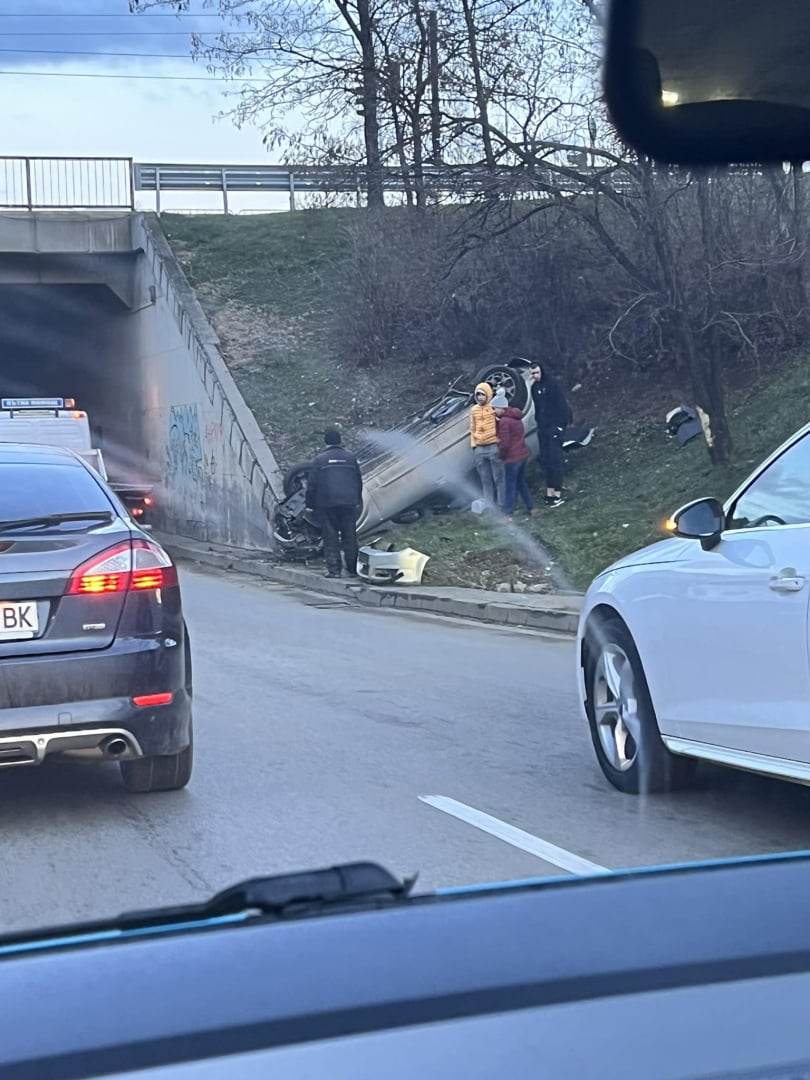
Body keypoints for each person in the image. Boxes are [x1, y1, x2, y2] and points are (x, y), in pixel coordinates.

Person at [305, 427, 363, 578]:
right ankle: (352, 570)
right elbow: (358, 481)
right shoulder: (351, 458)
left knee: (330, 538)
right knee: (350, 537)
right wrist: (356, 500)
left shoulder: (320, 460)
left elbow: (312, 485)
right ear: (339, 441)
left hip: (327, 504)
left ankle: (334, 571)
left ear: (326, 442)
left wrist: (310, 505)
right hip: (349, 504)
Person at [529, 362, 571, 508]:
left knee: (555, 459)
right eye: (532, 373)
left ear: (542, 371)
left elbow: (561, 404)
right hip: (543, 428)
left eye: (537, 373)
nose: (535, 376)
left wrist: (561, 426)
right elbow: (538, 407)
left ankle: (558, 492)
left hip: (555, 426)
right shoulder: (534, 388)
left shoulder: (552, 384)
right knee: (545, 460)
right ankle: (550, 491)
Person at [492, 392, 537, 521]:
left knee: (510, 485)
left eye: (495, 408)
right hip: (523, 455)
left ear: (501, 408)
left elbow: (505, 443)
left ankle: (508, 513)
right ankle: (531, 507)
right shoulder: (516, 417)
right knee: (521, 482)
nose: (494, 411)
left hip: (512, 458)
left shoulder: (505, 422)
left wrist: (501, 455)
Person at [470, 382, 505, 510]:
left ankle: (501, 503)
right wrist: (474, 445)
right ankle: (489, 503)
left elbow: (502, 423)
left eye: (482, 394)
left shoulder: (494, 407)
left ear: (488, 394)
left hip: (493, 446)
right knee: (485, 478)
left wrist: (499, 441)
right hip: (479, 448)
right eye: (477, 395)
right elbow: (472, 428)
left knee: (498, 477)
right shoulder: (474, 410)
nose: (480, 397)